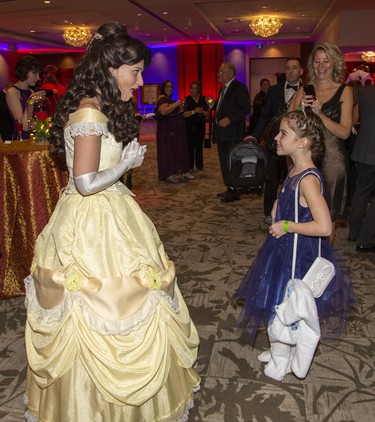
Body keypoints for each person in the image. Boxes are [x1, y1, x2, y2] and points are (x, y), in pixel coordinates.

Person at [24, 22, 200, 422]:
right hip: (91, 220)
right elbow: (85, 183)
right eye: (134, 71)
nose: (139, 81)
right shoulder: (89, 110)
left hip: (111, 210)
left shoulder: (99, 106)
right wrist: (125, 163)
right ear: (111, 68)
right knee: (95, 305)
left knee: (134, 296)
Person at [232, 110, 353, 344]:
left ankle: (289, 354)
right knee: (280, 302)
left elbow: (325, 227)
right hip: (285, 248)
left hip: (299, 253)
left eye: (283, 133)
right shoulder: (293, 169)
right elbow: (294, 197)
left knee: (293, 305)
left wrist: (287, 225)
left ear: (302, 142)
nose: (276, 137)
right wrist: (280, 202)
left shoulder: (308, 179)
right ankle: (281, 351)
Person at [292, 42, 353, 244]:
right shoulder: (304, 89)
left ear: (334, 64)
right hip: (306, 159)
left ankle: (323, 263)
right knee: (302, 211)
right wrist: (300, 110)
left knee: (327, 216)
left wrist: (321, 115)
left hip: (333, 162)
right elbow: (289, 124)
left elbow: (344, 132)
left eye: (326, 61)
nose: (321, 65)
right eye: (317, 61)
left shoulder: (344, 91)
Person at [248, 58, 303, 224]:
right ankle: (268, 214)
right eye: (287, 68)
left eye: (294, 68)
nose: (290, 71)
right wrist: (254, 135)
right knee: (271, 180)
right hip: (275, 143)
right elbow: (265, 117)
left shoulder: (308, 91)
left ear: (301, 71)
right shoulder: (273, 90)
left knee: (293, 181)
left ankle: (291, 213)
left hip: (296, 146)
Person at [214, 62, 250, 203]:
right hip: (222, 133)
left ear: (230, 73)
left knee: (233, 162)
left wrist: (230, 119)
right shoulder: (222, 89)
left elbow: (245, 109)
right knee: (224, 162)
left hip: (233, 133)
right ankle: (230, 187)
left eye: (221, 72)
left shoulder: (239, 88)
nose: (219, 74)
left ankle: (235, 190)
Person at [348, 84, 375, 251]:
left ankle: (354, 233)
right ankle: (366, 240)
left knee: (360, 193)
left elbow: (352, 120)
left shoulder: (365, 92)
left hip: (363, 151)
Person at [156, 80, 193, 182]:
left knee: (176, 150)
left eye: (171, 87)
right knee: (168, 151)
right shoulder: (162, 99)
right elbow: (163, 111)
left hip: (173, 131)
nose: (170, 88)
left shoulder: (168, 99)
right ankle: (169, 174)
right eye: (167, 87)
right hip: (166, 132)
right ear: (163, 88)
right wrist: (176, 104)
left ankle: (179, 171)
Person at [6, 55, 43, 139]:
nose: (38, 78)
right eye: (34, 73)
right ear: (24, 71)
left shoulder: (31, 92)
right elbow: (24, 126)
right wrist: (30, 101)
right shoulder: (12, 92)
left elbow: (34, 123)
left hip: (33, 138)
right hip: (21, 140)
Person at [183, 80, 209, 172]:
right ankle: (190, 166)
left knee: (199, 146)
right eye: (191, 88)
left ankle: (199, 166)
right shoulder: (187, 100)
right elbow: (184, 114)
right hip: (189, 126)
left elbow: (208, 114)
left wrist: (202, 111)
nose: (192, 90)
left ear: (198, 89)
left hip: (200, 126)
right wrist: (194, 111)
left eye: (194, 88)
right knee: (190, 147)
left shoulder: (204, 99)